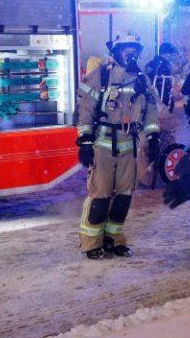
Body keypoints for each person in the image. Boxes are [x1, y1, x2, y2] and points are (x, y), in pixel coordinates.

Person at [75, 31, 161, 259]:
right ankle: (91, 243)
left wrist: (152, 136)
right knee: (100, 195)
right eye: (126, 50)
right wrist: (85, 140)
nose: (131, 55)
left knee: (124, 196)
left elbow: (151, 111)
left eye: (134, 51)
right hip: (103, 144)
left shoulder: (142, 79)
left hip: (129, 145)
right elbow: (85, 110)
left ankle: (114, 239)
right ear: (116, 52)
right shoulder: (100, 77)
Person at [144, 42, 179, 112]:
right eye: (171, 54)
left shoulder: (152, 64)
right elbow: (163, 85)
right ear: (167, 53)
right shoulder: (162, 66)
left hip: (153, 99)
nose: (172, 56)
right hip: (161, 99)